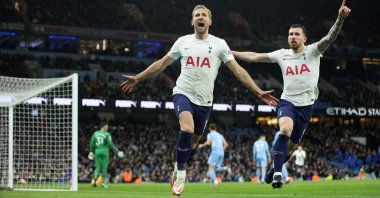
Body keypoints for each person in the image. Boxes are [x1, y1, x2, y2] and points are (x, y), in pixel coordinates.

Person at [121, 5, 278, 196]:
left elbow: (238, 71)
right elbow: (161, 64)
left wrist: (258, 91)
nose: (200, 17)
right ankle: (180, 174)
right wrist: (138, 77)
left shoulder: (220, 44)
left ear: (210, 21)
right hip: (183, 93)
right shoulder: (183, 42)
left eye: (204, 15)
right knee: (186, 128)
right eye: (197, 15)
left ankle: (180, 164)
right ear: (192, 21)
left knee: (194, 142)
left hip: (205, 101)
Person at [233, 0, 350, 188]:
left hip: (307, 107)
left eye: (296, 34)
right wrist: (230, 52)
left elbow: (330, 37)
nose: (292, 37)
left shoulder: (313, 51)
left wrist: (340, 19)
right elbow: (255, 56)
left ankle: (275, 167)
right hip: (287, 102)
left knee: (290, 147)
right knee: (285, 129)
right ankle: (278, 175)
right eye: (290, 34)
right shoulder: (282, 54)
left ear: (304, 38)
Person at [88, 121, 124, 188]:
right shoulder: (107, 134)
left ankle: (95, 179)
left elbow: (92, 143)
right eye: (107, 126)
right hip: (105, 151)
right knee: (104, 168)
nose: (107, 127)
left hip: (97, 151)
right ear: (103, 127)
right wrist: (117, 151)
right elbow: (110, 143)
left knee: (98, 167)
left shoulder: (95, 133)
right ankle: (103, 183)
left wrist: (91, 151)